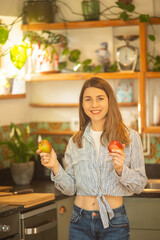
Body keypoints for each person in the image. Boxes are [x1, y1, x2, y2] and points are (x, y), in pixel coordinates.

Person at [37, 77, 147, 240]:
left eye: (100, 98)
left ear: (110, 101)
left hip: (114, 223)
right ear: (82, 104)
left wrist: (120, 170)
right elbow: (70, 189)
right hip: (79, 221)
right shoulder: (76, 141)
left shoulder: (129, 138)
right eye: (88, 99)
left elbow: (139, 185)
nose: (94, 105)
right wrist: (54, 166)